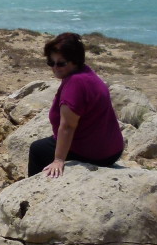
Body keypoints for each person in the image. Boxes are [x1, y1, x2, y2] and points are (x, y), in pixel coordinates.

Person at [27, 32, 124, 178]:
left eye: (61, 63)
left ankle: (30, 194)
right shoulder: (87, 73)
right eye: (51, 62)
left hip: (96, 154)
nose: (55, 67)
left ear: (75, 61)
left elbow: (67, 126)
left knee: (37, 149)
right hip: (113, 150)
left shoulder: (75, 84)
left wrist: (59, 159)